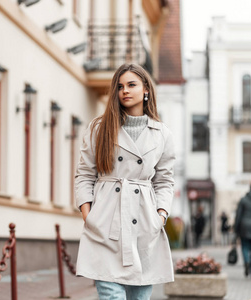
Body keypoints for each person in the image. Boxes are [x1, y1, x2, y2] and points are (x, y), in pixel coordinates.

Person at [75, 63, 175, 299]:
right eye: (119, 86)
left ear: (146, 90)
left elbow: (165, 180)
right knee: (110, 295)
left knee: (140, 296)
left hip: (144, 223)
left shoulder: (162, 134)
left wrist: (160, 215)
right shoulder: (99, 128)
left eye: (131, 85)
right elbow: (85, 174)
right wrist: (88, 215)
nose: (125, 91)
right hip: (106, 221)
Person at [234, 184, 251, 278]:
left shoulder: (244, 199)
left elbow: (238, 215)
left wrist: (236, 228)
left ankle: (247, 262)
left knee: (245, 247)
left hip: (244, 227)